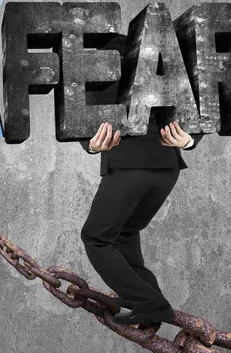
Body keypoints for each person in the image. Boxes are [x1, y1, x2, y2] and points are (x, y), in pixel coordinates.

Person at [79, 108, 203, 326]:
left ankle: (149, 303)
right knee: (124, 232)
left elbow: (79, 101)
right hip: (166, 168)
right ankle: (147, 300)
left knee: (96, 238)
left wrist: (189, 140)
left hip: (129, 166)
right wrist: (190, 140)